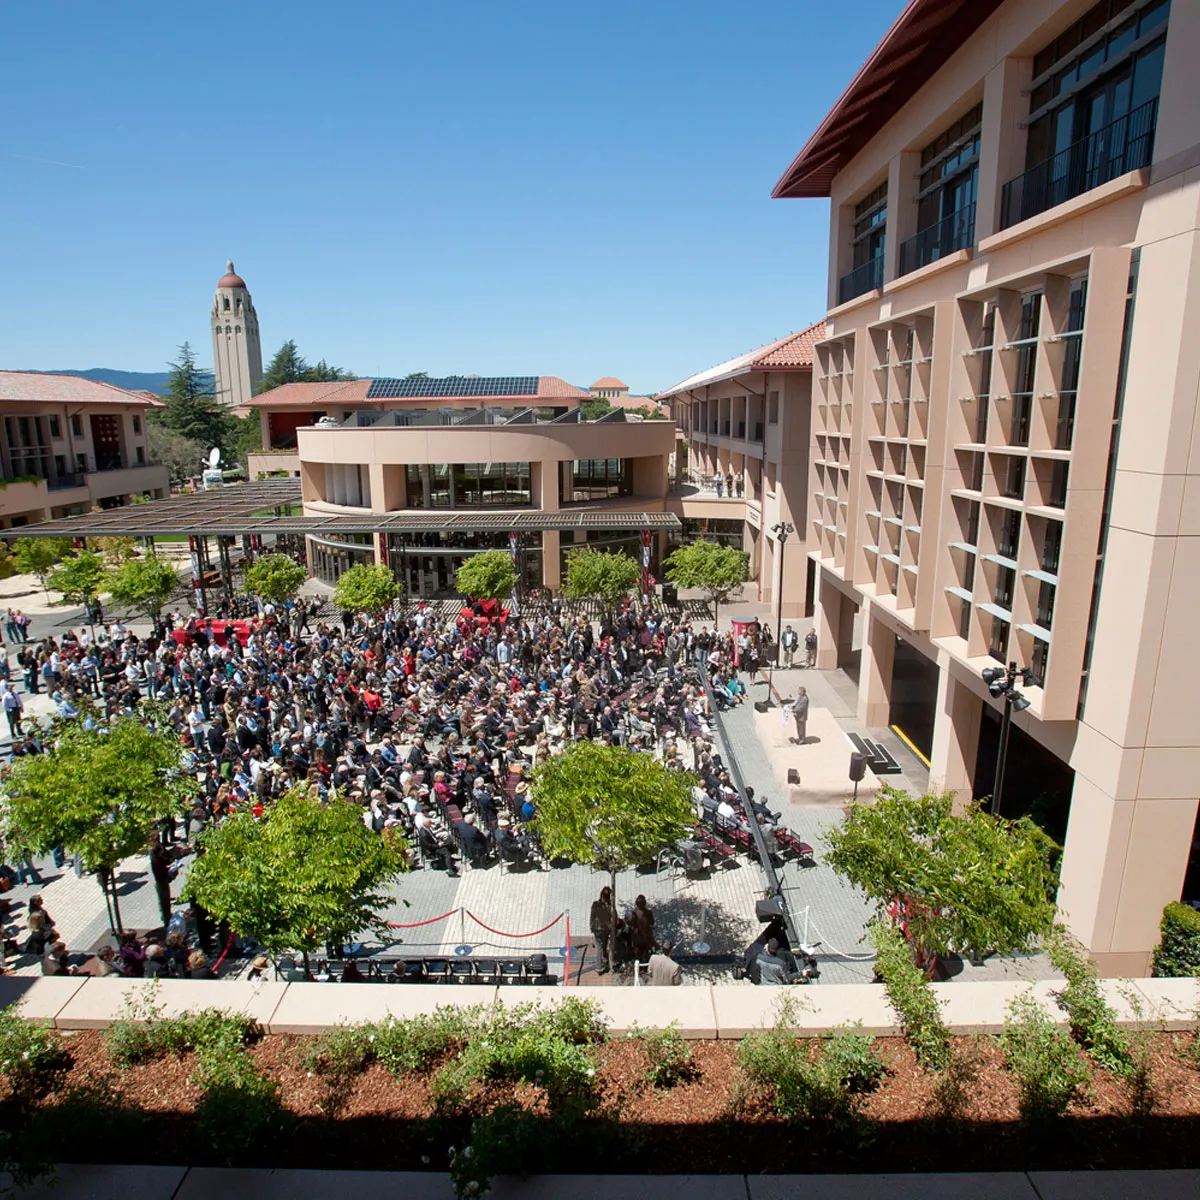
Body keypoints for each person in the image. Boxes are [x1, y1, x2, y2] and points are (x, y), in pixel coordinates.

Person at [589, 885, 615, 975]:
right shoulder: (610, 907)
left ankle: (602, 961)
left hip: (597, 929)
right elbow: (613, 919)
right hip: (605, 929)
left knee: (600, 946)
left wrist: (592, 927)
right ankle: (599, 966)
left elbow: (592, 917)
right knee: (601, 946)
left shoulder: (595, 904)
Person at [629, 894, 655, 963]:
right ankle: (643, 968)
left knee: (639, 954)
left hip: (639, 937)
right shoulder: (648, 913)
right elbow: (652, 923)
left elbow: (632, 923)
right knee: (644, 954)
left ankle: (639, 969)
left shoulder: (635, 913)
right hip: (644, 937)